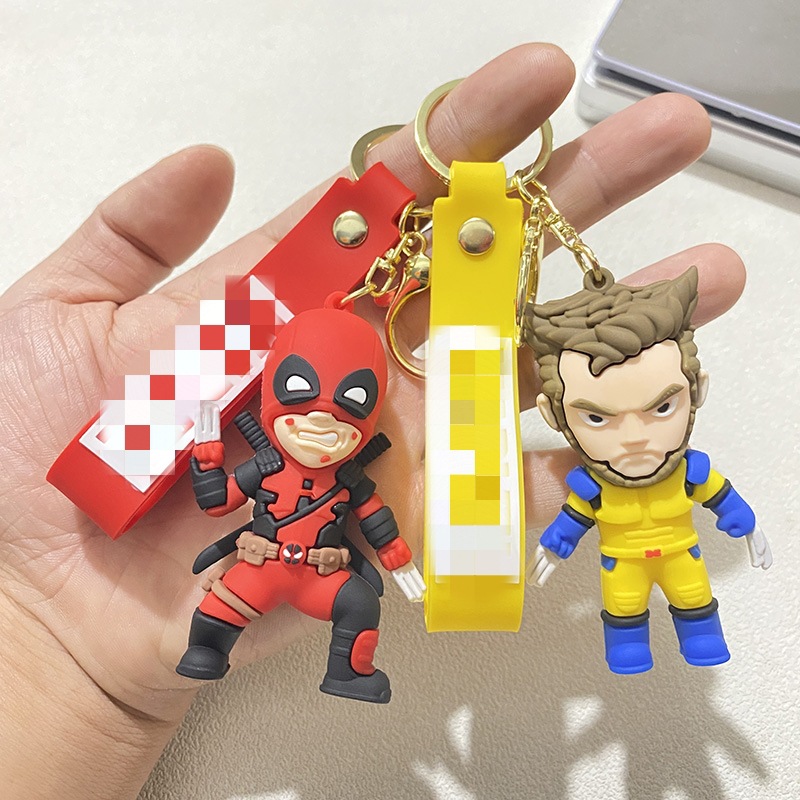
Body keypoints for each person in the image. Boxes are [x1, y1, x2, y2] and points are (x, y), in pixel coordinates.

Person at [0, 43, 746, 799]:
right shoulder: (258, 405)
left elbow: (370, 516)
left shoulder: (339, 456)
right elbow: (220, 492)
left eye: (350, 405)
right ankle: (221, 641)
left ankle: (347, 667)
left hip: (319, 564)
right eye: (301, 396)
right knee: (236, 596)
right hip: (252, 553)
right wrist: (200, 449)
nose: (322, 424)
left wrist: (397, 560)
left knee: (356, 605)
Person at [525, 267, 771, 674]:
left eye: (662, 407)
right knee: (623, 608)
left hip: (682, 556)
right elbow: (574, 518)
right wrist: (554, 545)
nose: (635, 438)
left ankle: (703, 638)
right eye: (597, 418)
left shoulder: (690, 471)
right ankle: (627, 648)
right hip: (622, 564)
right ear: (553, 415)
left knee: (694, 598)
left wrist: (748, 525)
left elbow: (722, 497)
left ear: (697, 390)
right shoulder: (592, 487)